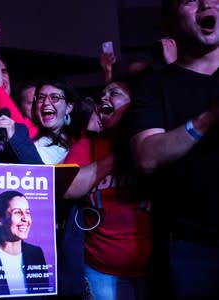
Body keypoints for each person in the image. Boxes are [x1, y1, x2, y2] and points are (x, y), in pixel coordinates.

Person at [128, 0, 219, 298]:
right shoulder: (155, 87)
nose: (207, 3)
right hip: (191, 245)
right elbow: (146, 156)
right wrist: (208, 119)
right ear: (171, 20)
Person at [65, 77, 152, 300]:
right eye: (102, 95)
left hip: (153, 272)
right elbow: (69, 188)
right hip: (101, 273)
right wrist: (121, 150)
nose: (103, 98)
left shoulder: (151, 143)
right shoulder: (87, 146)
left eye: (113, 93)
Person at [0, 20, 85, 165]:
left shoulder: (82, 140)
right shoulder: (27, 131)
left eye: (54, 97)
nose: (46, 103)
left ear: (69, 107)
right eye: (41, 98)